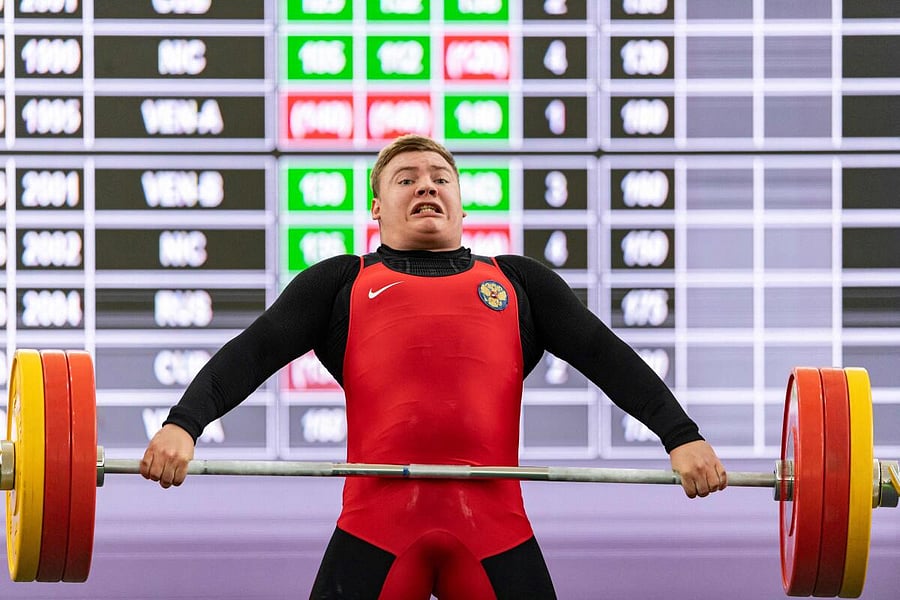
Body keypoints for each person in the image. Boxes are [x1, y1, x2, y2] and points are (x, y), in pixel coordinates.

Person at [141, 134, 727, 599]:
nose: (426, 185)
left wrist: (681, 437)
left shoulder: (518, 283)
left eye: (440, 178)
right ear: (376, 206)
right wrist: (182, 425)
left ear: (461, 204)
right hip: (375, 531)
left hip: (494, 531)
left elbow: (607, 356)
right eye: (406, 178)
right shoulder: (341, 283)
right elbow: (251, 354)